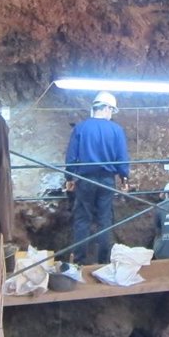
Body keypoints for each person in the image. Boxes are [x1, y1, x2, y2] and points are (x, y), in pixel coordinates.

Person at [64, 91, 129, 265]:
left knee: (82, 219)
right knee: (104, 220)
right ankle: (103, 262)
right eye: (111, 110)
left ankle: (79, 262)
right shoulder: (116, 130)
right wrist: (124, 179)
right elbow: (122, 158)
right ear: (107, 108)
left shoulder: (81, 128)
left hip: (85, 179)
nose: (111, 114)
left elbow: (71, 157)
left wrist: (69, 178)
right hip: (107, 179)